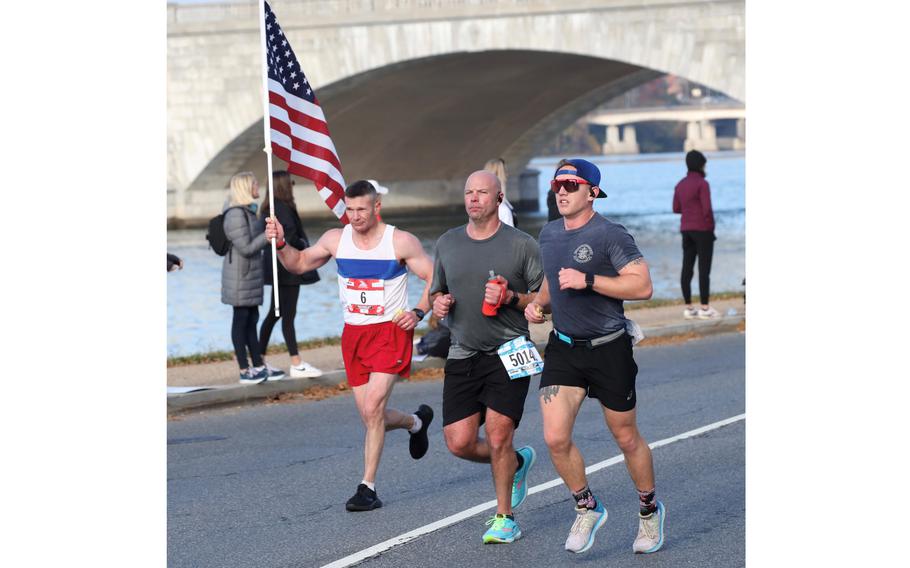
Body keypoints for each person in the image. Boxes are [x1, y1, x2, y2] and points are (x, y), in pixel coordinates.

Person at [265, 179, 435, 511]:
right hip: (354, 335)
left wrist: (418, 312)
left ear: (376, 208)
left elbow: (435, 277)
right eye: (349, 209)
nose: (354, 216)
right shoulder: (336, 239)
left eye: (361, 209)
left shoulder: (399, 242)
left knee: (372, 408)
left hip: (389, 332)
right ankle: (416, 422)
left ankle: (367, 488)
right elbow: (298, 264)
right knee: (372, 414)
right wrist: (282, 243)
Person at [525, 158, 665, 555]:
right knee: (554, 437)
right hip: (565, 347)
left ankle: (649, 511)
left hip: (608, 348)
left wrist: (588, 279)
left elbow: (642, 286)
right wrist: (538, 305)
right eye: (558, 185)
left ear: (593, 192)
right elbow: (552, 286)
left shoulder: (610, 235)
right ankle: (587, 507)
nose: (563, 192)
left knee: (625, 436)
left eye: (572, 185)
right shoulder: (549, 234)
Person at [431, 170, 544, 544]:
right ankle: (515, 461)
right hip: (463, 353)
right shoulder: (447, 243)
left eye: (482, 192)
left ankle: (504, 518)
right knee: (458, 442)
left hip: (510, 351)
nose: (473, 198)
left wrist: (513, 298)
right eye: (468, 192)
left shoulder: (521, 244)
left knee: (498, 436)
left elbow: (544, 298)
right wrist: (439, 304)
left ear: (498, 199)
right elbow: (437, 296)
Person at [258, 171, 324, 379]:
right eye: (291, 183)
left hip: (276, 267)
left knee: (274, 314)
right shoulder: (283, 209)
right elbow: (291, 236)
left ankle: (259, 359)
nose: (293, 186)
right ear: (284, 186)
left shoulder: (269, 207)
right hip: (287, 268)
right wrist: (304, 245)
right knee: (287, 316)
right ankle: (296, 363)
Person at [221, 172, 285, 385]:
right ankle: (244, 370)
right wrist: (267, 237)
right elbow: (246, 247)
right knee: (241, 321)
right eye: (255, 183)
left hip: (250, 275)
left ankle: (257, 364)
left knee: (252, 320)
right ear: (246, 188)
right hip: (240, 277)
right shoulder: (236, 215)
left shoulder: (249, 212)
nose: (259, 187)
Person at [672, 150, 718, 319]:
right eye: (704, 164)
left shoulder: (680, 184)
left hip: (686, 229)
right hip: (703, 229)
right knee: (704, 269)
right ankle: (705, 308)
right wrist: (711, 230)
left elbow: (676, 208)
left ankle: (689, 308)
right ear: (700, 165)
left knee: (687, 267)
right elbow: (707, 210)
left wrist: (689, 209)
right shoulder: (702, 184)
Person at [483, 158, 515, 227]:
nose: (507, 174)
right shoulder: (502, 209)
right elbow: (510, 235)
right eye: (504, 171)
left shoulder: (480, 207)